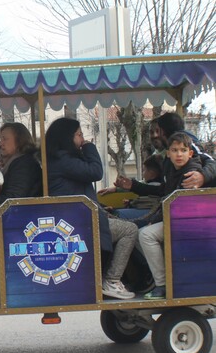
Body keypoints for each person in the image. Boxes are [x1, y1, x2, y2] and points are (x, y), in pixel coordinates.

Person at [45, 117, 139, 300]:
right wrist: (89, 147)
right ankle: (112, 280)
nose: (82, 139)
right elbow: (96, 172)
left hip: (75, 219)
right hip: (79, 225)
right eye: (79, 135)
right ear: (67, 138)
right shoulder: (64, 160)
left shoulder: (57, 159)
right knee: (130, 229)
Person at [116, 132, 203, 300]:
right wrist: (134, 186)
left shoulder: (191, 173)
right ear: (168, 153)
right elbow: (164, 192)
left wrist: (154, 221)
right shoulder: (171, 168)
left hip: (186, 224)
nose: (179, 154)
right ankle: (160, 273)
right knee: (137, 233)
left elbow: (176, 204)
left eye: (183, 150)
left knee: (146, 234)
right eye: (175, 150)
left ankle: (162, 284)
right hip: (174, 220)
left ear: (190, 153)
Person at [0, 122, 43, 252]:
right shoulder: (15, 163)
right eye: (0, 139)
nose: (0, 143)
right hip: (12, 221)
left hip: (16, 225)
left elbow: (13, 198)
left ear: (19, 140)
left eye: (5, 139)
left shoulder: (24, 164)